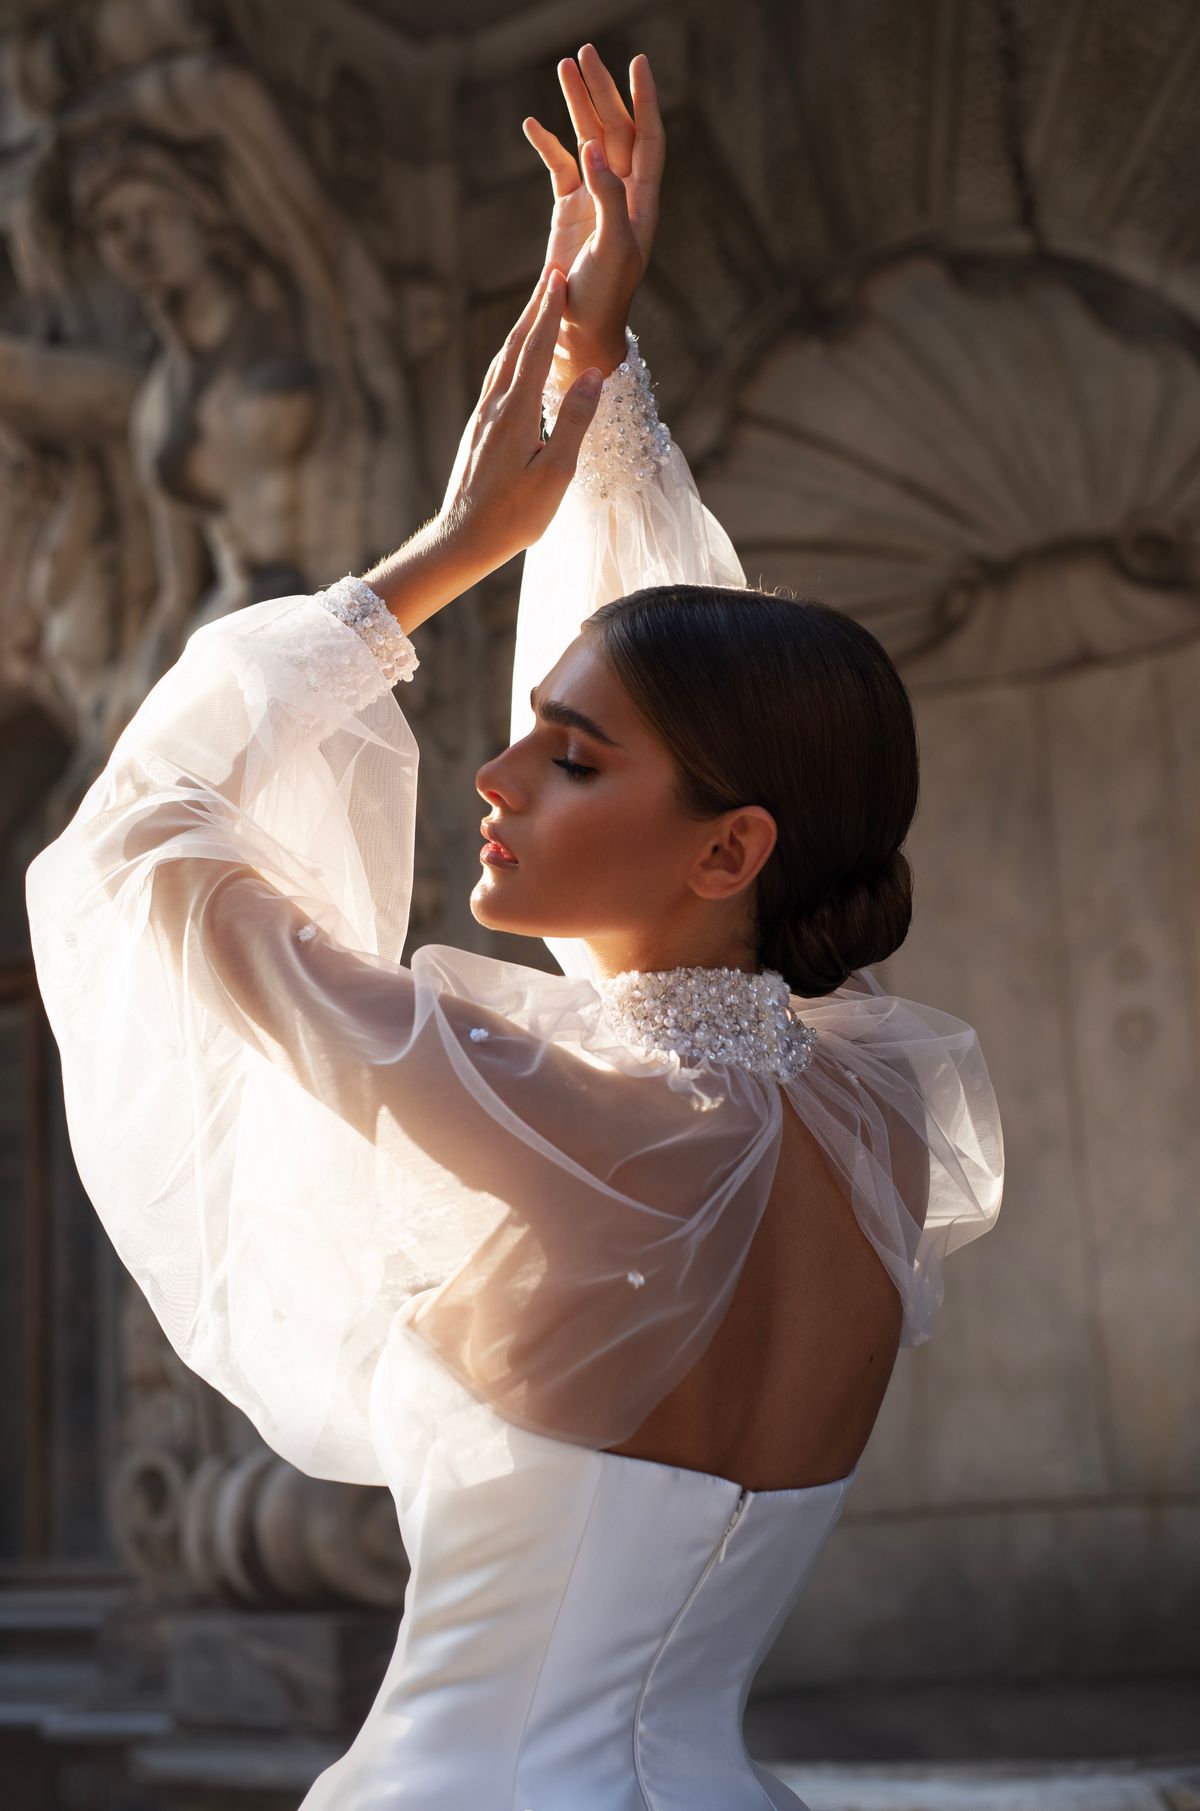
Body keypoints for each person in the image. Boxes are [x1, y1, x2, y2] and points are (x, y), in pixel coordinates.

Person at [25, 46, 1004, 1811]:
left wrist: (450, 547)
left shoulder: (536, 1102)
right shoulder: (866, 1111)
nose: (489, 770)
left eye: (563, 756)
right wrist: (595, 381)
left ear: (730, 852)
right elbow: (715, 718)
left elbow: (144, 839)